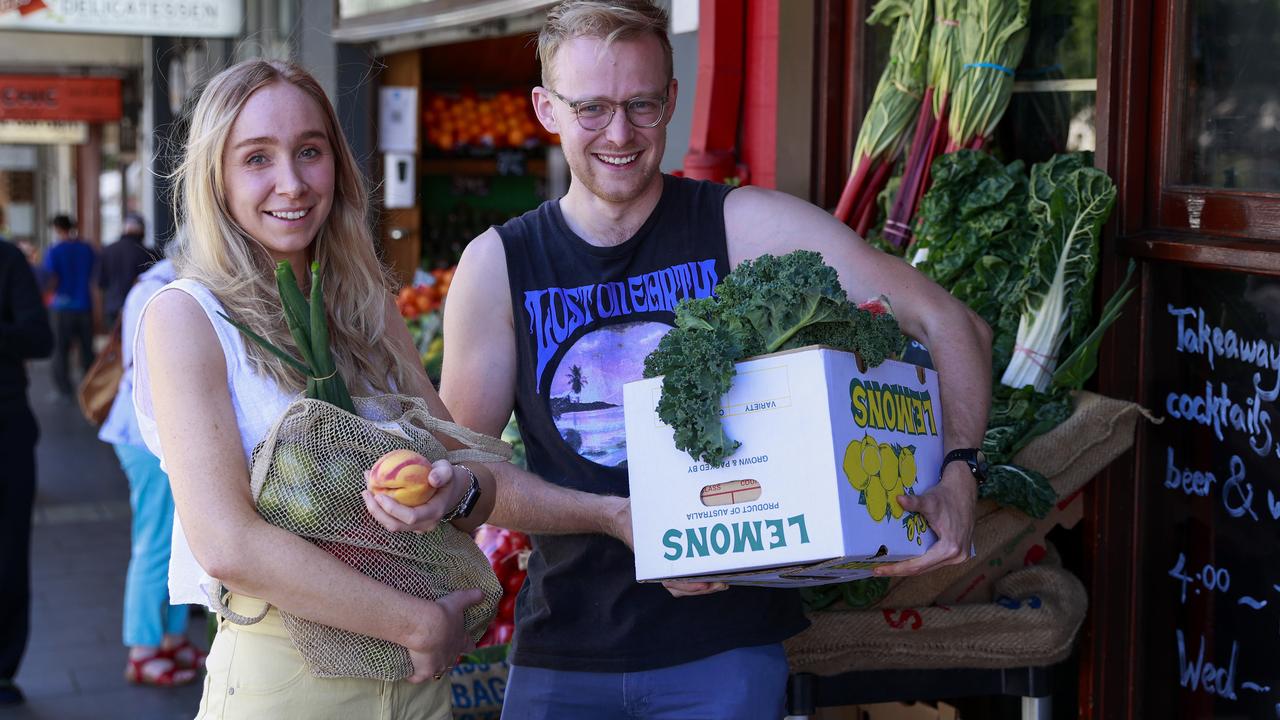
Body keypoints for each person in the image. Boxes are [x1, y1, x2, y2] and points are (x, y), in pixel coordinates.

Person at [434, 2, 992, 717]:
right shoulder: (499, 266)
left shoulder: (740, 227)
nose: (620, 133)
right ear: (546, 108)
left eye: (641, 104)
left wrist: (960, 471)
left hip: (723, 654)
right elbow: (467, 478)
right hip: (563, 650)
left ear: (672, 99)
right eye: (592, 108)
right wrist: (616, 517)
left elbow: (952, 323)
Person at [133, 59, 511, 719]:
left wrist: (445, 486)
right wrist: (418, 625)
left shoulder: (367, 305)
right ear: (215, 178)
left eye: (310, 151)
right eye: (256, 158)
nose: (292, 183)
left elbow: (459, 456)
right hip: (291, 672)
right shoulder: (188, 318)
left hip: (416, 676)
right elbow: (227, 542)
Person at [99, 256, 205, 687]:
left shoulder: (167, 284)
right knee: (156, 541)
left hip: (169, 435)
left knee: (179, 536)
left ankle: (170, 638)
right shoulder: (157, 291)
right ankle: (141, 648)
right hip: (148, 438)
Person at [0, 208, 55, 706]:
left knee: (9, 552)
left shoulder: (8, 261)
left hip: (6, 427)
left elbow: (41, 338)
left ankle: (2, 668)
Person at [42, 213, 97, 399]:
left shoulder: (54, 250)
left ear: (57, 229)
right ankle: (90, 387)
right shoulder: (86, 249)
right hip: (84, 304)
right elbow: (93, 273)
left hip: (61, 307)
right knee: (87, 350)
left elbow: (52, 278)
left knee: (60, 350)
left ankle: (64, 390)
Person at [97, 213, 155, 328]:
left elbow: (101, 282)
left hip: (113, 307)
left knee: (118, 344)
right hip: (142, 308)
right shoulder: (149, 254)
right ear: (142, 231)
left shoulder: (107, 251)